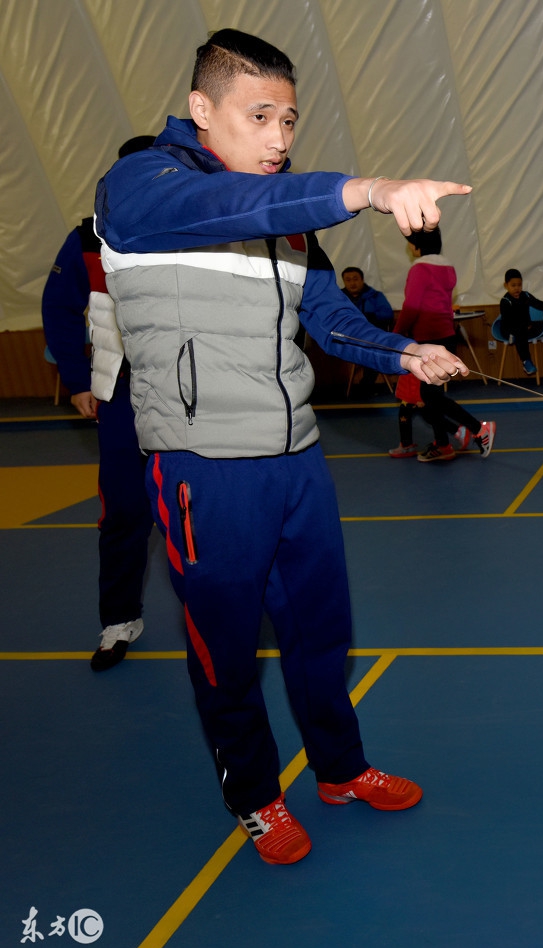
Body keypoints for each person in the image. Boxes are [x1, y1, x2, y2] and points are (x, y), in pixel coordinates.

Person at [94, 28, 473, 865]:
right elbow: (229, 207)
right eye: (259, 116)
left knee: (321, 635)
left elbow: (328, 319)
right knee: (226, 651)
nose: (278, 139)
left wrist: (404, 352)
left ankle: (340, 769)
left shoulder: (285, 221)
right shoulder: (141, 187)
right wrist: (367, 188)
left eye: (290, 120)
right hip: (203, 470)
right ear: (202, 108)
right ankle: (258, 797)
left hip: (296, 459)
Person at [42, 134, 156, 671]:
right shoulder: (86, 239)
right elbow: (57, 308)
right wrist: (78, 380)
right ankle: (119, 618)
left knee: (205, 514)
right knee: (125, 512)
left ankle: (222, 614)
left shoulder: (194, 228)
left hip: (190, 397)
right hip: (119, 398)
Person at [391, 228, 494, 462]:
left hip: (429, 340)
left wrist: (395, 336)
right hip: (446, 336)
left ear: (416, 246)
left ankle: (479, 429)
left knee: (431, 396)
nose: (409, 247)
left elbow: (412, 307)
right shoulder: (447, 268)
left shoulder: (420, 269)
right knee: (431, 395)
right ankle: (443, 444)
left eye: (409, 243)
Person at [341, 266, 395, 396]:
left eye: (355, 279)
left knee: (372, 349)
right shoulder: (339, 298)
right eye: (348, 280)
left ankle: (365, 385)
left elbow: (388, 314)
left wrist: (369, 316)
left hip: (372, 337)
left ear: (362, 280)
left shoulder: (375, 296)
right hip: (347, 339)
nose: (352, 283)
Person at [497, 268, 543, 376]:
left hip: (525, 327)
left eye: (519, 285)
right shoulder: (505, 301)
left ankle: (521, 333)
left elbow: (537, 303)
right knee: (520, 332)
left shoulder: (525, 296)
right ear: (506, 285)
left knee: (539, 324)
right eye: (513, 285)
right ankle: (526, 361)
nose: (517, 288)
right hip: (509, 328)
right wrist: (524, 326)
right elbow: (509, 320)